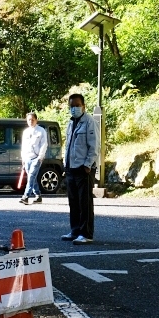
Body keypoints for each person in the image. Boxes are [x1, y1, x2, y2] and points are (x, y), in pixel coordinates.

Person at [62, 93, 97, 244]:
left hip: (83, 169)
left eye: (77, 105)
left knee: (85, 203)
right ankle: (75, 230)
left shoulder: (89, 122)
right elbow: (68, 145)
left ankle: (86, 234)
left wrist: (88, 165)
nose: (74, 108)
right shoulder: (71, 123)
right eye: (72, 106)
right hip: (71, 168)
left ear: (83, 106)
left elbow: (94, 146)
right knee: (73, 202)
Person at [19, 112, 48, 205]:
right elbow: (23, 146)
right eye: (29, 120)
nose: (31, 121)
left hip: (36, 158)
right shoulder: (26, 131)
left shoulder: (41, 131)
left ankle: (26, 196)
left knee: (31, 176)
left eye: (32, 119)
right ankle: (38, 196)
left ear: (36, 120)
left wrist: (40, 157)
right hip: (27, 158)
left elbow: (44, 144)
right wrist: (23, 158)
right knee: (32, 178)